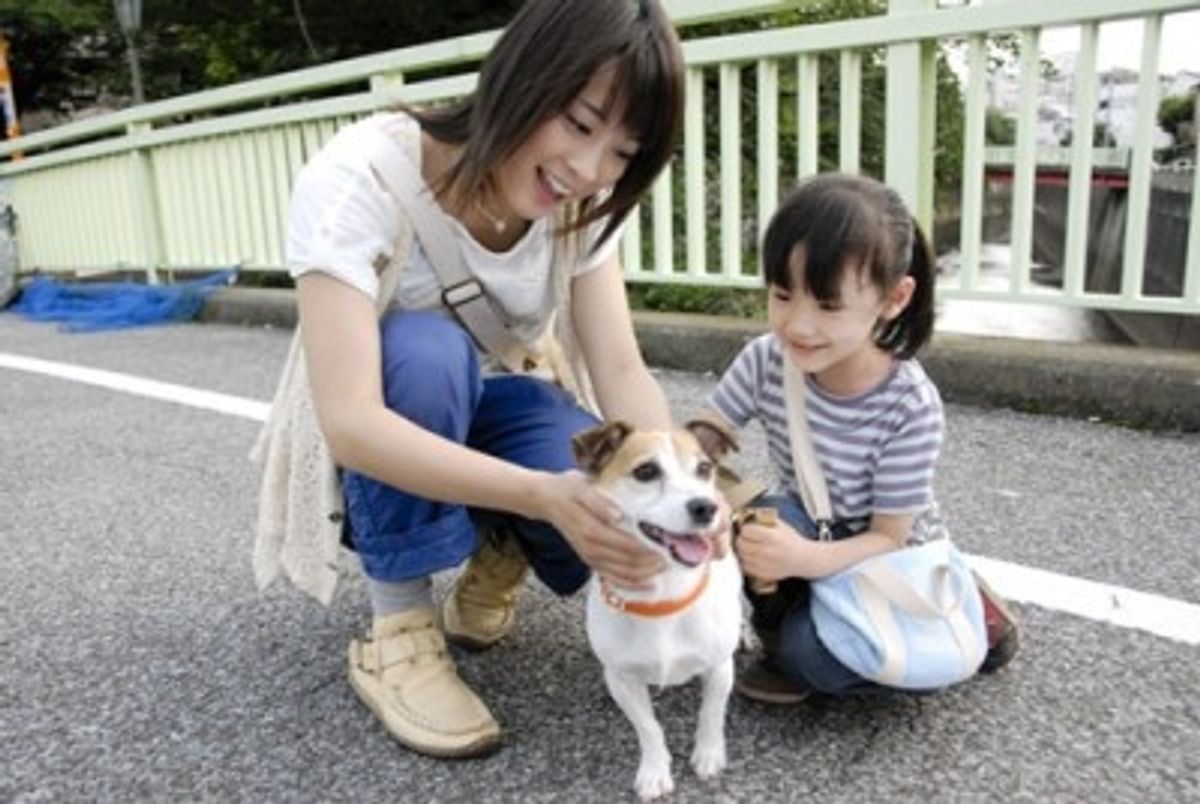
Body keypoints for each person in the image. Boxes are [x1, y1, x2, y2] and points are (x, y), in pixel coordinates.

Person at [251, 0, 687, 758]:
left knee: (594, 475)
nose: (589, 170)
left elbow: (619, 368)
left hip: (509, 396)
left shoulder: (585, 205)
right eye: (581, 124)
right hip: (394, 407)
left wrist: (679, 496)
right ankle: (401, 627)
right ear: (521, 74)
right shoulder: (359, 176)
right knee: (426, 354)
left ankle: (499, 554)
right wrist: (540, 495)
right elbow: (351, 421)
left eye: (623, 151)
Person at [697, 173, 1020, 703]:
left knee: (811, 659)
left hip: (889, 557)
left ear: (893, 299)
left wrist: (798, 559)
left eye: (827, 305)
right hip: (814, 523)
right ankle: (792, 632)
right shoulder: (765, 359)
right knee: (749, 522)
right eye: (782, 294)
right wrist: (682, 477)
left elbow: (888, 537)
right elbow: (707, 433)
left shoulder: (910, 404)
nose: (798, 325)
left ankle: (968, 611)